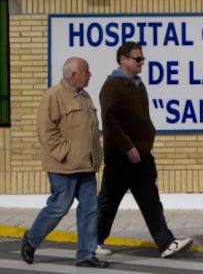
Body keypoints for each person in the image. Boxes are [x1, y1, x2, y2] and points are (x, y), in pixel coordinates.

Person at [96, 41, 192, 258]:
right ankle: (93, 241)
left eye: (142, 58)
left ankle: (166, 243)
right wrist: (128, 146)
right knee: (109, 201)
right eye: (137, 59)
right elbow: (109, 120)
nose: (142, 62)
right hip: (120, 156)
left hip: (141, 155)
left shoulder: (138, 85)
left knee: (151, 200)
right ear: (123, 59)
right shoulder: (112, 86)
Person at [20, 57, 109, 268]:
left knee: (90, 209)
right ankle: (31, 240)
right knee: (59, 207)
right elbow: (46, 131)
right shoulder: (53, 96)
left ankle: (86, 255)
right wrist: (65, 153)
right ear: (73, 75)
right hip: (63, 166)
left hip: (86, 166)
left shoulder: (85, 96)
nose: (90, 75)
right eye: (87, 72)